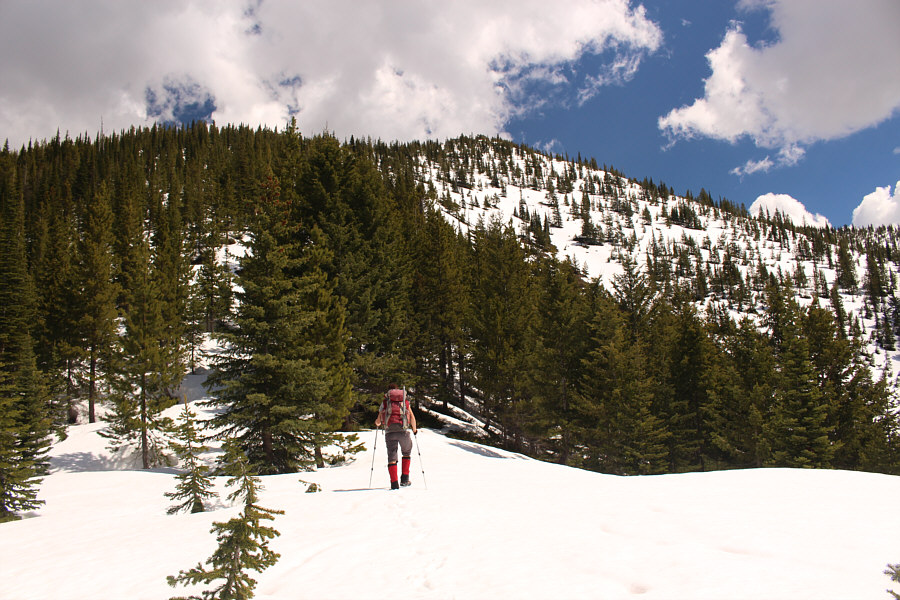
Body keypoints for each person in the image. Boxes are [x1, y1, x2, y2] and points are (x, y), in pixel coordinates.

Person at [374, 383, 418, 490]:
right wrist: (414, 429)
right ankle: (405, 479)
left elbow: (378, 421)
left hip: (390, 433)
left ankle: (394, 483)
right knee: (406, 452)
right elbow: (412, 416)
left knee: (392, 457)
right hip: (403, 431)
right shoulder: (405, 402)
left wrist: (377, 423)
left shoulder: (385, 403)